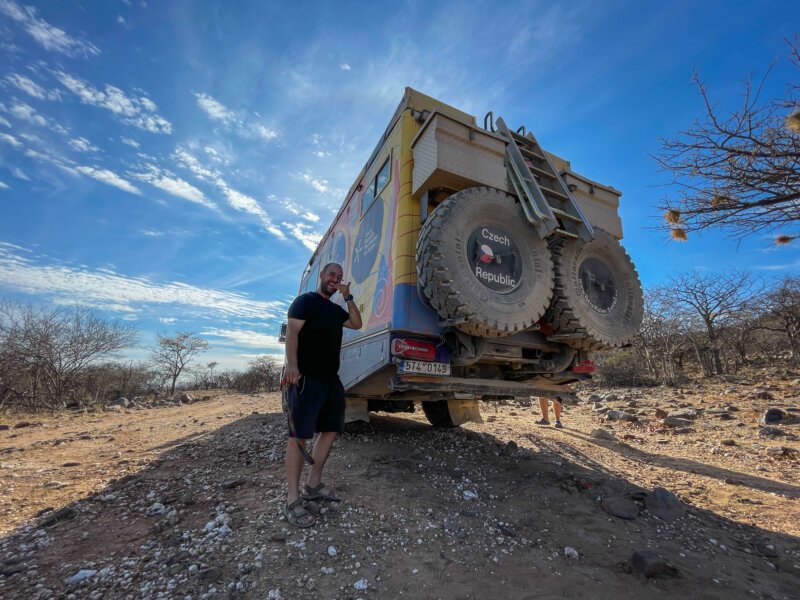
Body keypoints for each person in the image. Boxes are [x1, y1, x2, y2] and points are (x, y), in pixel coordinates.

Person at [282, 263, 362, 528]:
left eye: (339, 277)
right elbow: (292, 334)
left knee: (330, 430)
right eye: (331, 275)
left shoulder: (336, 309)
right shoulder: (304, 302)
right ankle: (293, 499)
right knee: (300, 436)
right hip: (306, 379)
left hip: (331, 381)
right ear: (321, 276)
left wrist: (348, 296)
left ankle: (313, 484)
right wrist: (292, 364)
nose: (335, 279)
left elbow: (357, 323)